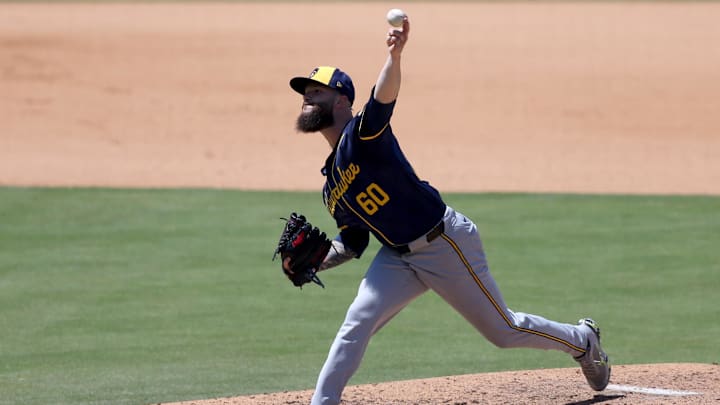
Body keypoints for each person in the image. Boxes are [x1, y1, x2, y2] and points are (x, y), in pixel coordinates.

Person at [286, 16, 610, 405]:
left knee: (503, 331)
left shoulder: (362, 135)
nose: (307, 98)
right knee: (357, 322)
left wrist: (395, 55)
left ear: (340, 100)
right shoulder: (330, 185)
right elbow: (353, 242)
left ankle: (582, 340)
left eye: (316, 92)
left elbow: (383, 97)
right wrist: (312, 263)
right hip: (397, 258)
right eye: (305, 92)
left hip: (444, 243)